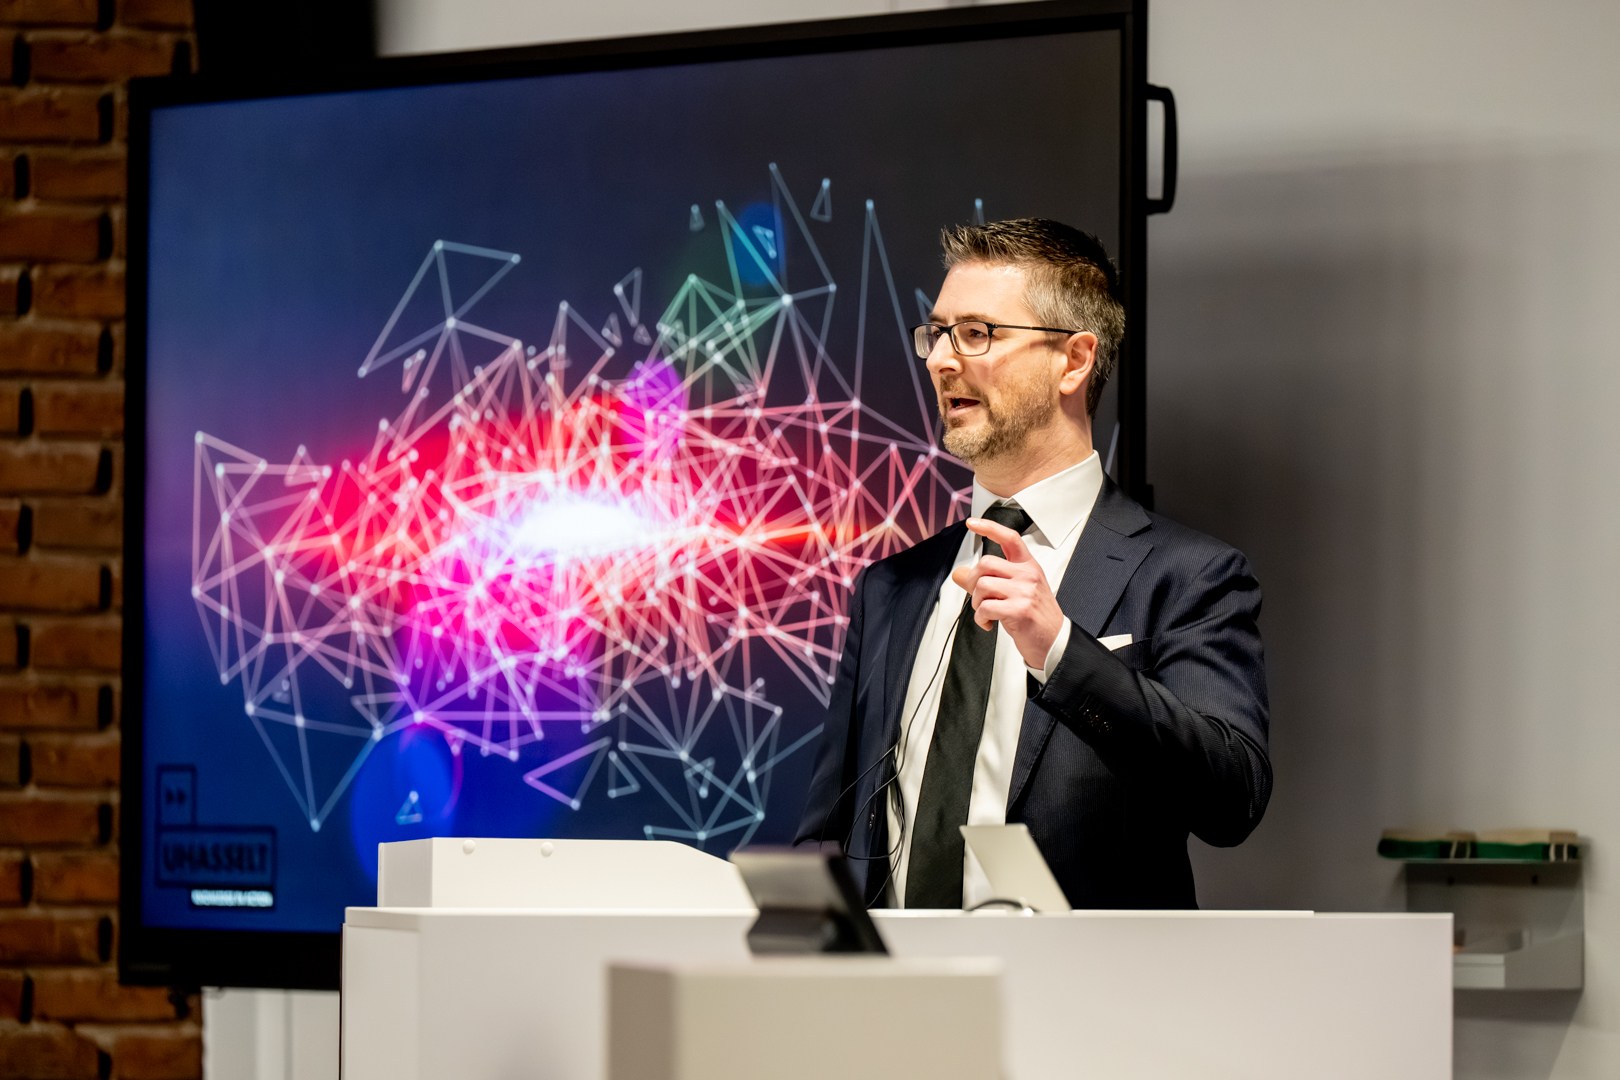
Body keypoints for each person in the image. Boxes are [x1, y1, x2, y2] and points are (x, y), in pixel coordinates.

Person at [795, 219, 1270, 909]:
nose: (940, 360)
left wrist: (1062, 652)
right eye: (938, 334)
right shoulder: (891, 587)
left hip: (1081, 978)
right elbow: (827, 830)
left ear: (1073, 361)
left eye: (977, 333)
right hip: (896, 974)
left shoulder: (1188, 576)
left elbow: (1233, 799)